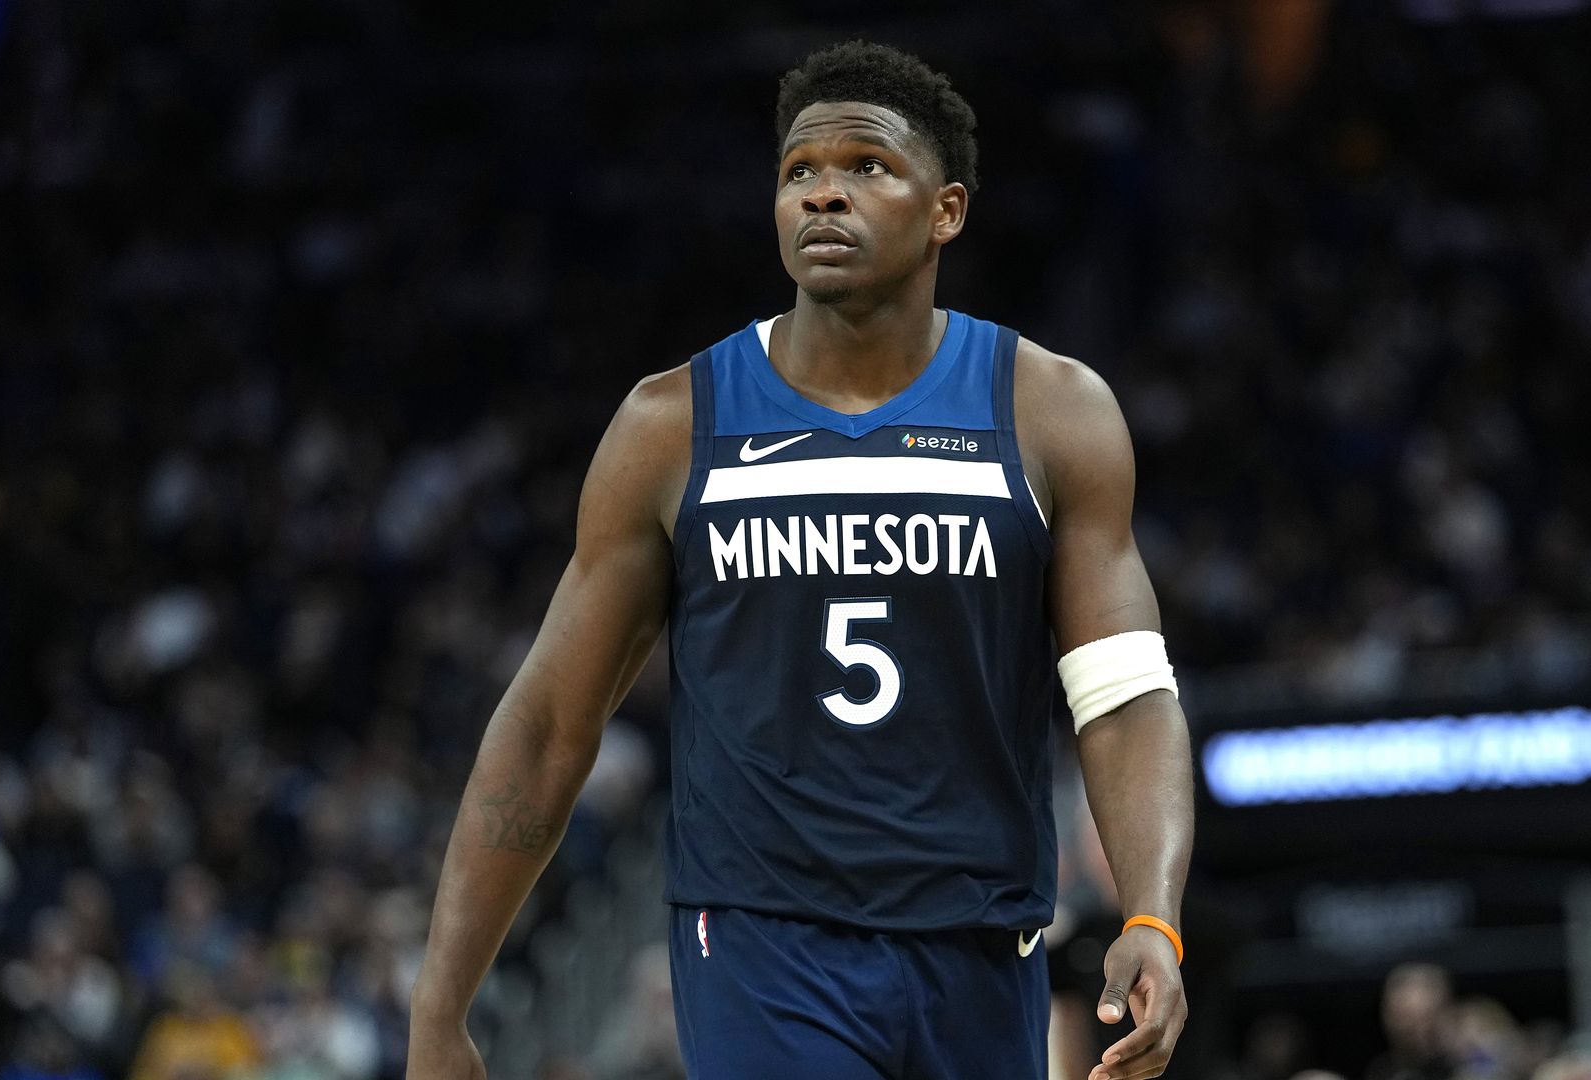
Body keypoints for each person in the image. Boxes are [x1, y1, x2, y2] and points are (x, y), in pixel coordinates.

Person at [407, 40, 1196, 1080]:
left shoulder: (1050, 410)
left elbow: (1125, 697)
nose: (824, 193)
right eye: (798, 172)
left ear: (947, 211)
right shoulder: (671, 425)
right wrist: (442, 1005)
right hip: (761, 942)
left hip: (981, 937)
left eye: (867, 165)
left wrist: (1153, 914)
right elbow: (551, 722)